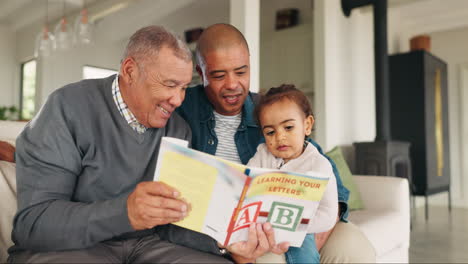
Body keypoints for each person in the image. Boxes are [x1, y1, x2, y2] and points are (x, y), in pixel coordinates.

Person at [9, 25, 275, 264]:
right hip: (72, 249)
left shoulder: (177, 127)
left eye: (184, 87)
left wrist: (220, 242)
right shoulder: (67, 107)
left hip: (148, 245)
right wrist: (124, 212)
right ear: (130, 71)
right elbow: (33, 224)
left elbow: (172, 223)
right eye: (170, 85)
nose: (178, 99)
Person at [177, 23, 376, 263]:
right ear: (200, 71)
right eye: (219, 75)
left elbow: (323, 169)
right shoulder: (181, 108)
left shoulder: (269, 109)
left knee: (355, 249)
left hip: (290, 223)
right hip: (235, 230)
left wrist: (308, 232)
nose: (232, 84)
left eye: (241, 72)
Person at [247, 84, 338, 263]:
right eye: (270, 132)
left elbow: (328, 214)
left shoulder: (319, 165)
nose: (279, 137)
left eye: (288, 127)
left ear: (307, 125)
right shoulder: (262, 154)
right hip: (263, 225)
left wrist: (296, 225)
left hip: (300, 229)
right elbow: (247, 182)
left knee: (306, 255)